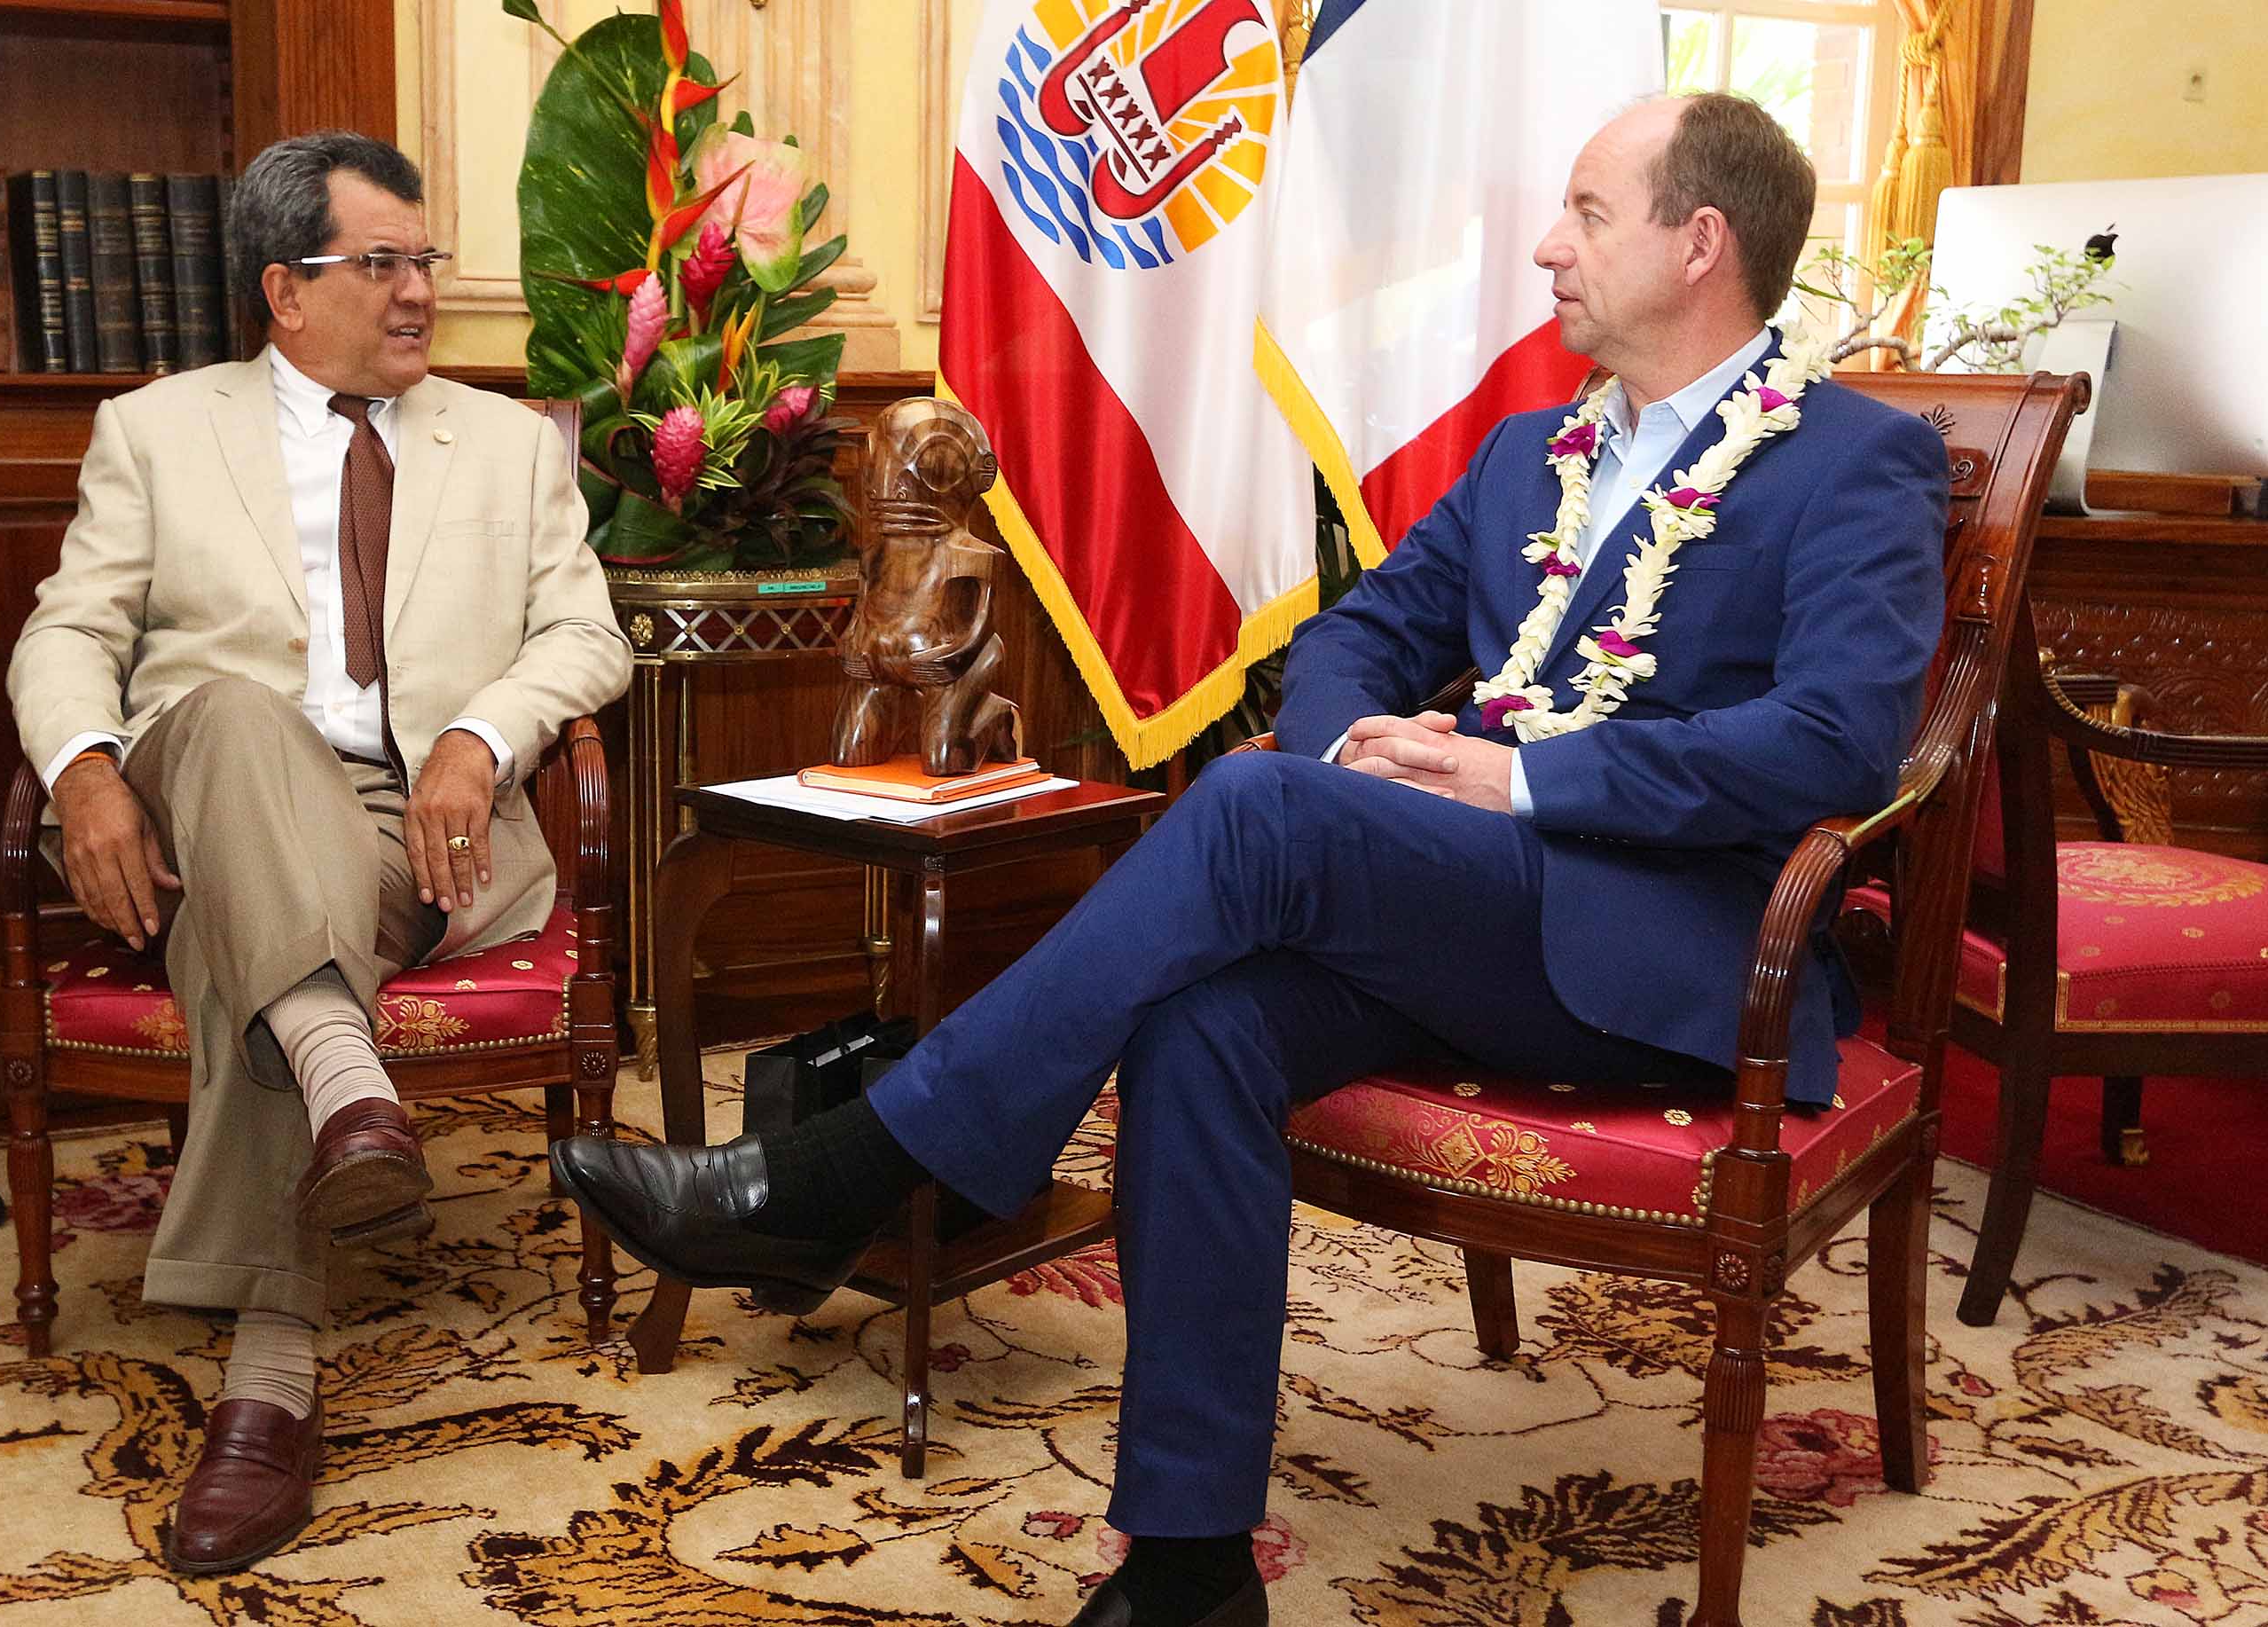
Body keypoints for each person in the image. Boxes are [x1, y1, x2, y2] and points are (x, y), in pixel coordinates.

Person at [552, 91, 1950, 1627]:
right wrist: (1363, 752)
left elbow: (1834, 745)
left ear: (1702, 245)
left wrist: (1519, 775)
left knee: (1242, 804)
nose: (1549, 247)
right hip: (1463, 913)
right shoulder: (1524, 456)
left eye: (1588, 215)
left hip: (1675, 948)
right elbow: (1362, 634)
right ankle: (1189, 1564)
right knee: (1198, 1022)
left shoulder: (1851, 465)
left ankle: (848, 1169)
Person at [6, 130, 630, 1576]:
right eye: (383, 265)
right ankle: (323, 1186)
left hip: (417, 831)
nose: (419, 291)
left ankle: (277, 1328)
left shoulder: (507, 443)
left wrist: (481, 735)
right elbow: (70, 631)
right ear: (285, 290)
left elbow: (586, 634)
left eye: (427, 261)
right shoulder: (157, 428)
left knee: (276, 930)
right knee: (227, 713)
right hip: (199, 802)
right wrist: (88, 771)